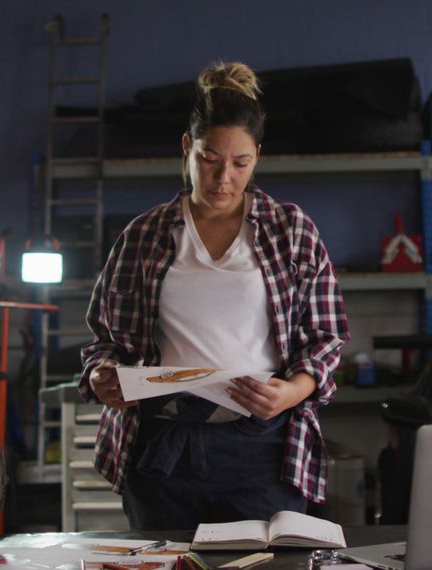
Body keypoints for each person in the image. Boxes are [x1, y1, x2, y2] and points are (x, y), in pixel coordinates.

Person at [78, 61, 349, 531]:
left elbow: (326, 338)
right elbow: (106, 340)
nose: (223, 177)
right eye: (209, 158)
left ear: (257, 157)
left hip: (262, 451)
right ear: (186, 147)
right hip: (164, 450)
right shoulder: (145, 235)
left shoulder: (291, 231)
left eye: (240, 163)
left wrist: (291, 393)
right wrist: (103, 375)